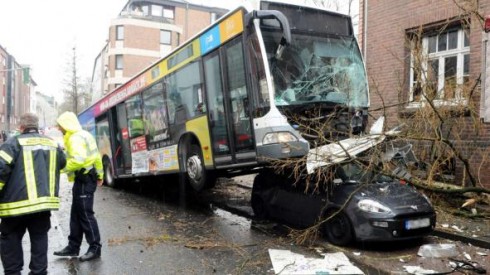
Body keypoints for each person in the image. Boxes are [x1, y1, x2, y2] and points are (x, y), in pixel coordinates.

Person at [0, 113, 66, 275]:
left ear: (21, 127)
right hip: (43, 205)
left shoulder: (12, 144)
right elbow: (62, 163)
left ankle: (13, 272)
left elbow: (1, 170)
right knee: (39, 238)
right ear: (36, 126)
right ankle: (39, 272)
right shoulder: (52, 144)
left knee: (11, 238)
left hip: (15, 205)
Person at [53, 111, 104, 262]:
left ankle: (95, 247)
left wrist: (59, 170)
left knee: (85, 215)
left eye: (60, 125)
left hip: (84, 180)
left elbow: (78, 160)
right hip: (85, 179)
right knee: (76, 215)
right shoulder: (84, 134)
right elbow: (96, 156)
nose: (58, 128)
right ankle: (73, 246)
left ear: (66, 125)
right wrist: (100, 175)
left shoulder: (75, 138)